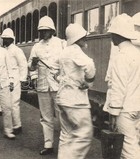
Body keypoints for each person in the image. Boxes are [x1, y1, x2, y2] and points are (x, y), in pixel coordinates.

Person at [52, 23, 96, 159]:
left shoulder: (64, 51)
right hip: (75, 101)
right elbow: (90, 65)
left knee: (66, 135)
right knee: (85, 133)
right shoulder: (75, 50)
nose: (86, 39)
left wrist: (63, 80)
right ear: (77, 38)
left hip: (62, 99)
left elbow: (53, 70)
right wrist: (88, 83)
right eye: (83, 36)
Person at [27, 16, 65, 155]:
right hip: (43, 86)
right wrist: (34, 68)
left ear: (52, 30)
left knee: (62, 115)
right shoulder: (36, 47)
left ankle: (64, 145)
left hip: (58, 85)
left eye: (45, 30)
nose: (43, 33)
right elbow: (30, 67)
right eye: (41, 31)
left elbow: (66, 63)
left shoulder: (61, 44)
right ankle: (48, 145)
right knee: (45, 117)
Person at [106, 13, 140, 159]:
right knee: (134, 143)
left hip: (125, 110)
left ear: (117, 35)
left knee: (128, 150)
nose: (111, 37)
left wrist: (113, 113)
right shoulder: (137, 53)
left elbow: (118, 88)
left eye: (112, 33)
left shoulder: (120, 57)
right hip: (137, 106)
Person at [1, 28, 28, 135]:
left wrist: (22, 79)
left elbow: (23, 64)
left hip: (15, 79)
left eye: (5, 39)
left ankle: (17, 125)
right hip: (6, 79)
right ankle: (11, 125)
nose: (3, 41)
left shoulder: (17, 50)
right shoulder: (4, 50)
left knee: (14, 103)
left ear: (10, 39)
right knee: (8, 104)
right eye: (3, 39)